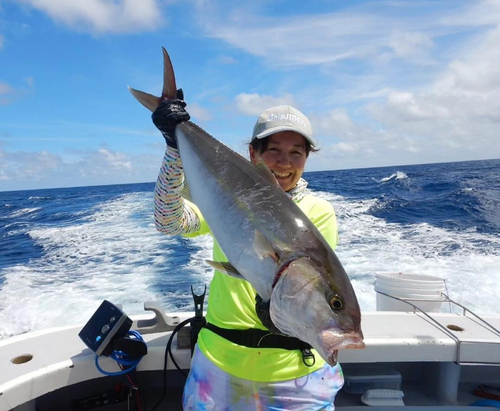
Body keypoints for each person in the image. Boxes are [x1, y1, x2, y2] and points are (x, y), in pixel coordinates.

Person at [152, 97, 343, 410]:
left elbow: (313, 290)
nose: (285, 162)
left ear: (306, 159)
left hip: (295, 374)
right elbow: (167, 219)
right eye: (274, 151)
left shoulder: (317, 213)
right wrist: (175, 147)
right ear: (253, 154)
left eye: (296, 153)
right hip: (218, 365)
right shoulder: (227, 198)